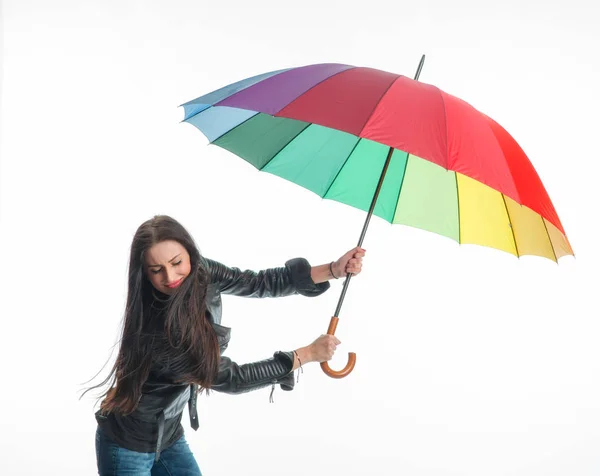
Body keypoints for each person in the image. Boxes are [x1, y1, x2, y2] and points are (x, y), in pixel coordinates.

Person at [88, 215, 365, 475]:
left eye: (176, 263)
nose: (171, 278)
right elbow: (232, 379)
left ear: (190, 254)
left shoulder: (202, 271)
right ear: (144, 274)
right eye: (157, 270)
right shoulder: (161, 331)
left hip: (168, 434)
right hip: (127, 444)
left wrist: (334, 269)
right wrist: (305, 354)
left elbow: (258, 282)